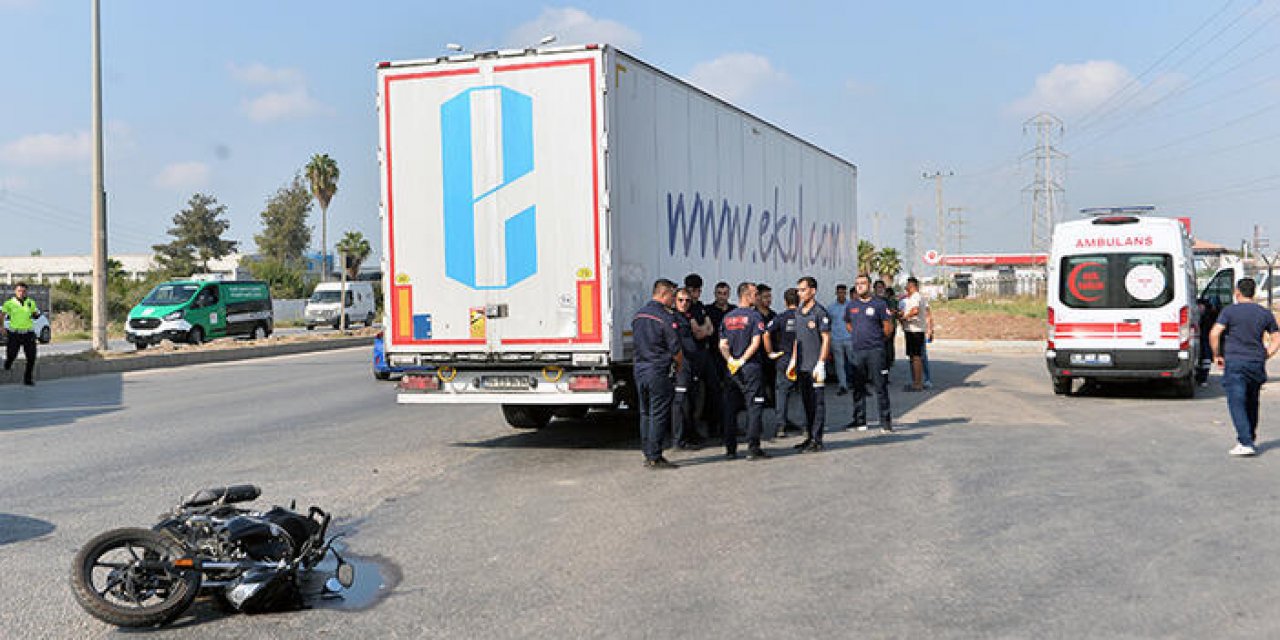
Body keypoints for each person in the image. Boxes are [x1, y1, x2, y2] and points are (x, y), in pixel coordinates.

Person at [1208, 278, 1279, 457]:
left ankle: (1245, 441)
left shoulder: (1229, 311)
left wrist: (1217, 354)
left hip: (1235, 361)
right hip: (1256, 362)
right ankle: (1249, 438)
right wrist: (1267, 354)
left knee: (1236, 401)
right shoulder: (1264, 313)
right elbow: (1277, 338)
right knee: (1252, 401)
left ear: (1237, 292)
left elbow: (1215, 332)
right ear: (1253, 293)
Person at [631, 279, 683, 469]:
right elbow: (676, 349)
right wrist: (679, 366)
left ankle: (647, 452)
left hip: (640, 369)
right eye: (672, 296)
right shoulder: (665, 318)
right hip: (658, 370)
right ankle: (655, 456)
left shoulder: (638, 315)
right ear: (663, 294)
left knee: (645, 413)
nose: (673, 300)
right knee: (658, 413)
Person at [718, 282, 769, 460]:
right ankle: (753, 448)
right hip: (750, 368)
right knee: (754, 407)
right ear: (747, 296)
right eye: (755, 294)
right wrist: (742, 360)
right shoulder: (755, 317)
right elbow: (756, 343)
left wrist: (731, 360)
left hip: (732, 370)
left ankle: (730, 449)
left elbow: (722, 345)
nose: (758, 297)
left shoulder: (727, 317)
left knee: (730, 409)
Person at [844, 274, 893, 432]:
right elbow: (848, 324)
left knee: (880, 387)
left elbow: (887, 327)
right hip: (858, 351)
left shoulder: (879, 304)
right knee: (858, 388)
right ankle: (860, 421)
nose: (859, 286)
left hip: (875, 351)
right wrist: (859, 337)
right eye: (857, 284)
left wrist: (877, 340)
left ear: (869, 285)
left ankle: (885, 423)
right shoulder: (851, 305)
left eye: (863, 283)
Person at [790, 276, 832, 453]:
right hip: (802, 366)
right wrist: (793, 360)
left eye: (803, 289)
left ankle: (817, 439)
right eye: (798, 290)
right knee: (807, 403)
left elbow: (826, 339)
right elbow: (796, 339)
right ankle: (809, 436)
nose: (799, 293)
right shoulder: (799, 311)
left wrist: (821, 363)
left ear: (812, 291)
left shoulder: (820, 312)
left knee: (817, 404)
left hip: (815, 366)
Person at [672, 287, 710, 450]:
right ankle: (678, 440)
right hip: (681, 366)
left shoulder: (686, 316)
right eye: (680, 300)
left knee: (691, 403)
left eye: (687, 300)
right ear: (674, 300)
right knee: (680, 404)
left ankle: (690, 435)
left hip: (692, 364)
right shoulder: (671, 317)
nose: (684, 303)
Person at [764, 288, 802, 438]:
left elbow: (766, 333)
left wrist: (770, 352)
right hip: (803, 358)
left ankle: (781, 426)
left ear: (785, 302)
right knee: (803, 392)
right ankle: (806, 425)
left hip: (784, 358)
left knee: (782, 393)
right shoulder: (805, 317)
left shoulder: (780, 317)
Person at [1, 282, 41, 386]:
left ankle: (28, 379)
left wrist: (36, 314)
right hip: (14, 333)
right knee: (12, 354)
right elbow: (2, 315)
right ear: (15, 291)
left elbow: (35, 313)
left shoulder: (30, 302)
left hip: (28, 333)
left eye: (23, 291)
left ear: (26, 292)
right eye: (19, 291)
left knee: (32, 357)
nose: (21, 293)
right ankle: (7, 364)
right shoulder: (9, 303)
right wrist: (1, 327)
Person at [899, 277, 928, 392]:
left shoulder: (916, 296)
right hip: (910, 330)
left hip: (916, 331)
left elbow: (915, 310)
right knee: (912, 356)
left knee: (916, 357)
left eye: (907, 285)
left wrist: (905, 317)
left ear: (912, 286)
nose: (906, 288)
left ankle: (918, 383)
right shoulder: (910, 298)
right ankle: (915, 382)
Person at [755, 283, 777, 410]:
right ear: (757, 298)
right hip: (758, 355)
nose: (768, 299)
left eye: (770, 296)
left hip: (772, 355)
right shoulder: (754, 315)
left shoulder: (773, 315)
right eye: (765, 297)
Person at [828, 284, 853, 395]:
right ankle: (843, 385)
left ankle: (856, 383)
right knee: (839, 364)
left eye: (843, 292)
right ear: (836, 293)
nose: (841, 295)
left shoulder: (851, 306)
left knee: (853, 362)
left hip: (849, 338)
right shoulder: (831, 308)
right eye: (839, 292)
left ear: (846, 293)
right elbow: (828, 323)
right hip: (836, 339)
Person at [876, 282, 899, 381]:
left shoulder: (888, 301)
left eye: (881, 287)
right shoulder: (871, 301)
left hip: (886, 332)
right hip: (875, 332)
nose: (879, 289)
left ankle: (885, 376)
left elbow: (892, 313)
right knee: (876, 356)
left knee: (887, 356)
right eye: (878, 287)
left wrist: (890, 329)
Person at [1195, 296, 1220, 387]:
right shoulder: (1207, 314)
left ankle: (1203, 377)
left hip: (1204, 338)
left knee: (1205, 358)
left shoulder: (1208, 315)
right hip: (1201, 338)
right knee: (1204, 358)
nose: (1200, 309)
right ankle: (1201, 377)